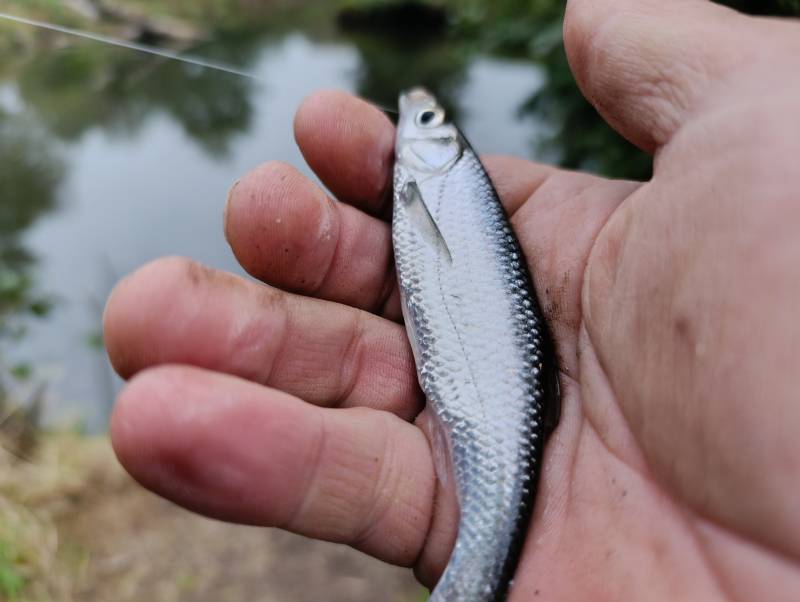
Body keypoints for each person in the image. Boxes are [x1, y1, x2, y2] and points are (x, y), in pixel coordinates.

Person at [102, 0, 800, 599]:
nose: (417, 120)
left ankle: (480, 571)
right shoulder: (434, 183)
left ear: (442, 150)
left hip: (504, 399)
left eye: (431, 122)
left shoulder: (442, 181)